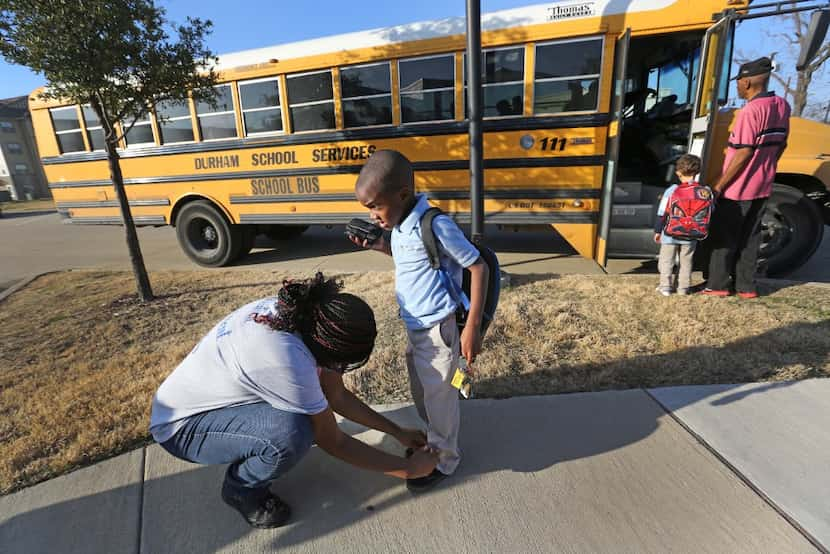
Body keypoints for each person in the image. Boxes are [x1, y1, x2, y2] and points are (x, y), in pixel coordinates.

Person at [149, 273, 439, 529]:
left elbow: (335, 395)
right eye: (342, 362)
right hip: (182, 429)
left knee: (303, 418)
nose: (341, 369)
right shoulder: (286, 361)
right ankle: (242, 487)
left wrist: (397, 431)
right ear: (329, 347)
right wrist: (410, 470)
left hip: (212, 403)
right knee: (293, 433)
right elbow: (333, 441)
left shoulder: (304, 317)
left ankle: (251, 452)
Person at [351, 150, 489, 493]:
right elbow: (413, 257)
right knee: (425, 392)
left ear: (401, 195)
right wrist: (378, 245)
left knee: (440, 397)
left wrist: (471, 328)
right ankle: (434, 439)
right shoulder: (398, 224)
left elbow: (478, 267)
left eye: (375, 206)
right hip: (415, 328)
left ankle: (445, 460)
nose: (373, 215)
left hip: (438, 330)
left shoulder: (436, 224)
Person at [702, 56, 791, 298]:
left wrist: (720, 185)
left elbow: (744, 151)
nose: (738, 86)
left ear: (748, 82)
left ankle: (718, 285)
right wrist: (767, 166)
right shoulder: (782, 105)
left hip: (738, 187)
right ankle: (746, 287)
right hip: (763, 183)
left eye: (739, 81)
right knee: (751, 237)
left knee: (726, 236)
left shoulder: (750, 111)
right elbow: (781, 144)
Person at [654, 154, 703, 296]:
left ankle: (665, 287)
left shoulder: (672, 190)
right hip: (692, 234)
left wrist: (658, 230)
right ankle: (683, 289)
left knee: (666, 261)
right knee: (686, 262)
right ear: (697, 172)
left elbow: (662, 212)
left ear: (678, 172)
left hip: (670, 233)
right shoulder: (703, 191)